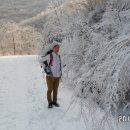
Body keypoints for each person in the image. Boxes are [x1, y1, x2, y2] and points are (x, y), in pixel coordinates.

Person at [41, 42, 62, 108]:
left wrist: (60, 74)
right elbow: (41, 60)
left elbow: (60, 66)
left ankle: (54, 102)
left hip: (57, 76)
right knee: (50, 89)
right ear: (53, 48)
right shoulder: (50, 55)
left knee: (55, 89)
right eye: (56, 47)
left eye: (58, 47)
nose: (57, 49)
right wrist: (45, 67)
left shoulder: (59, 56)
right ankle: (50, 102)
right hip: (50, 76)